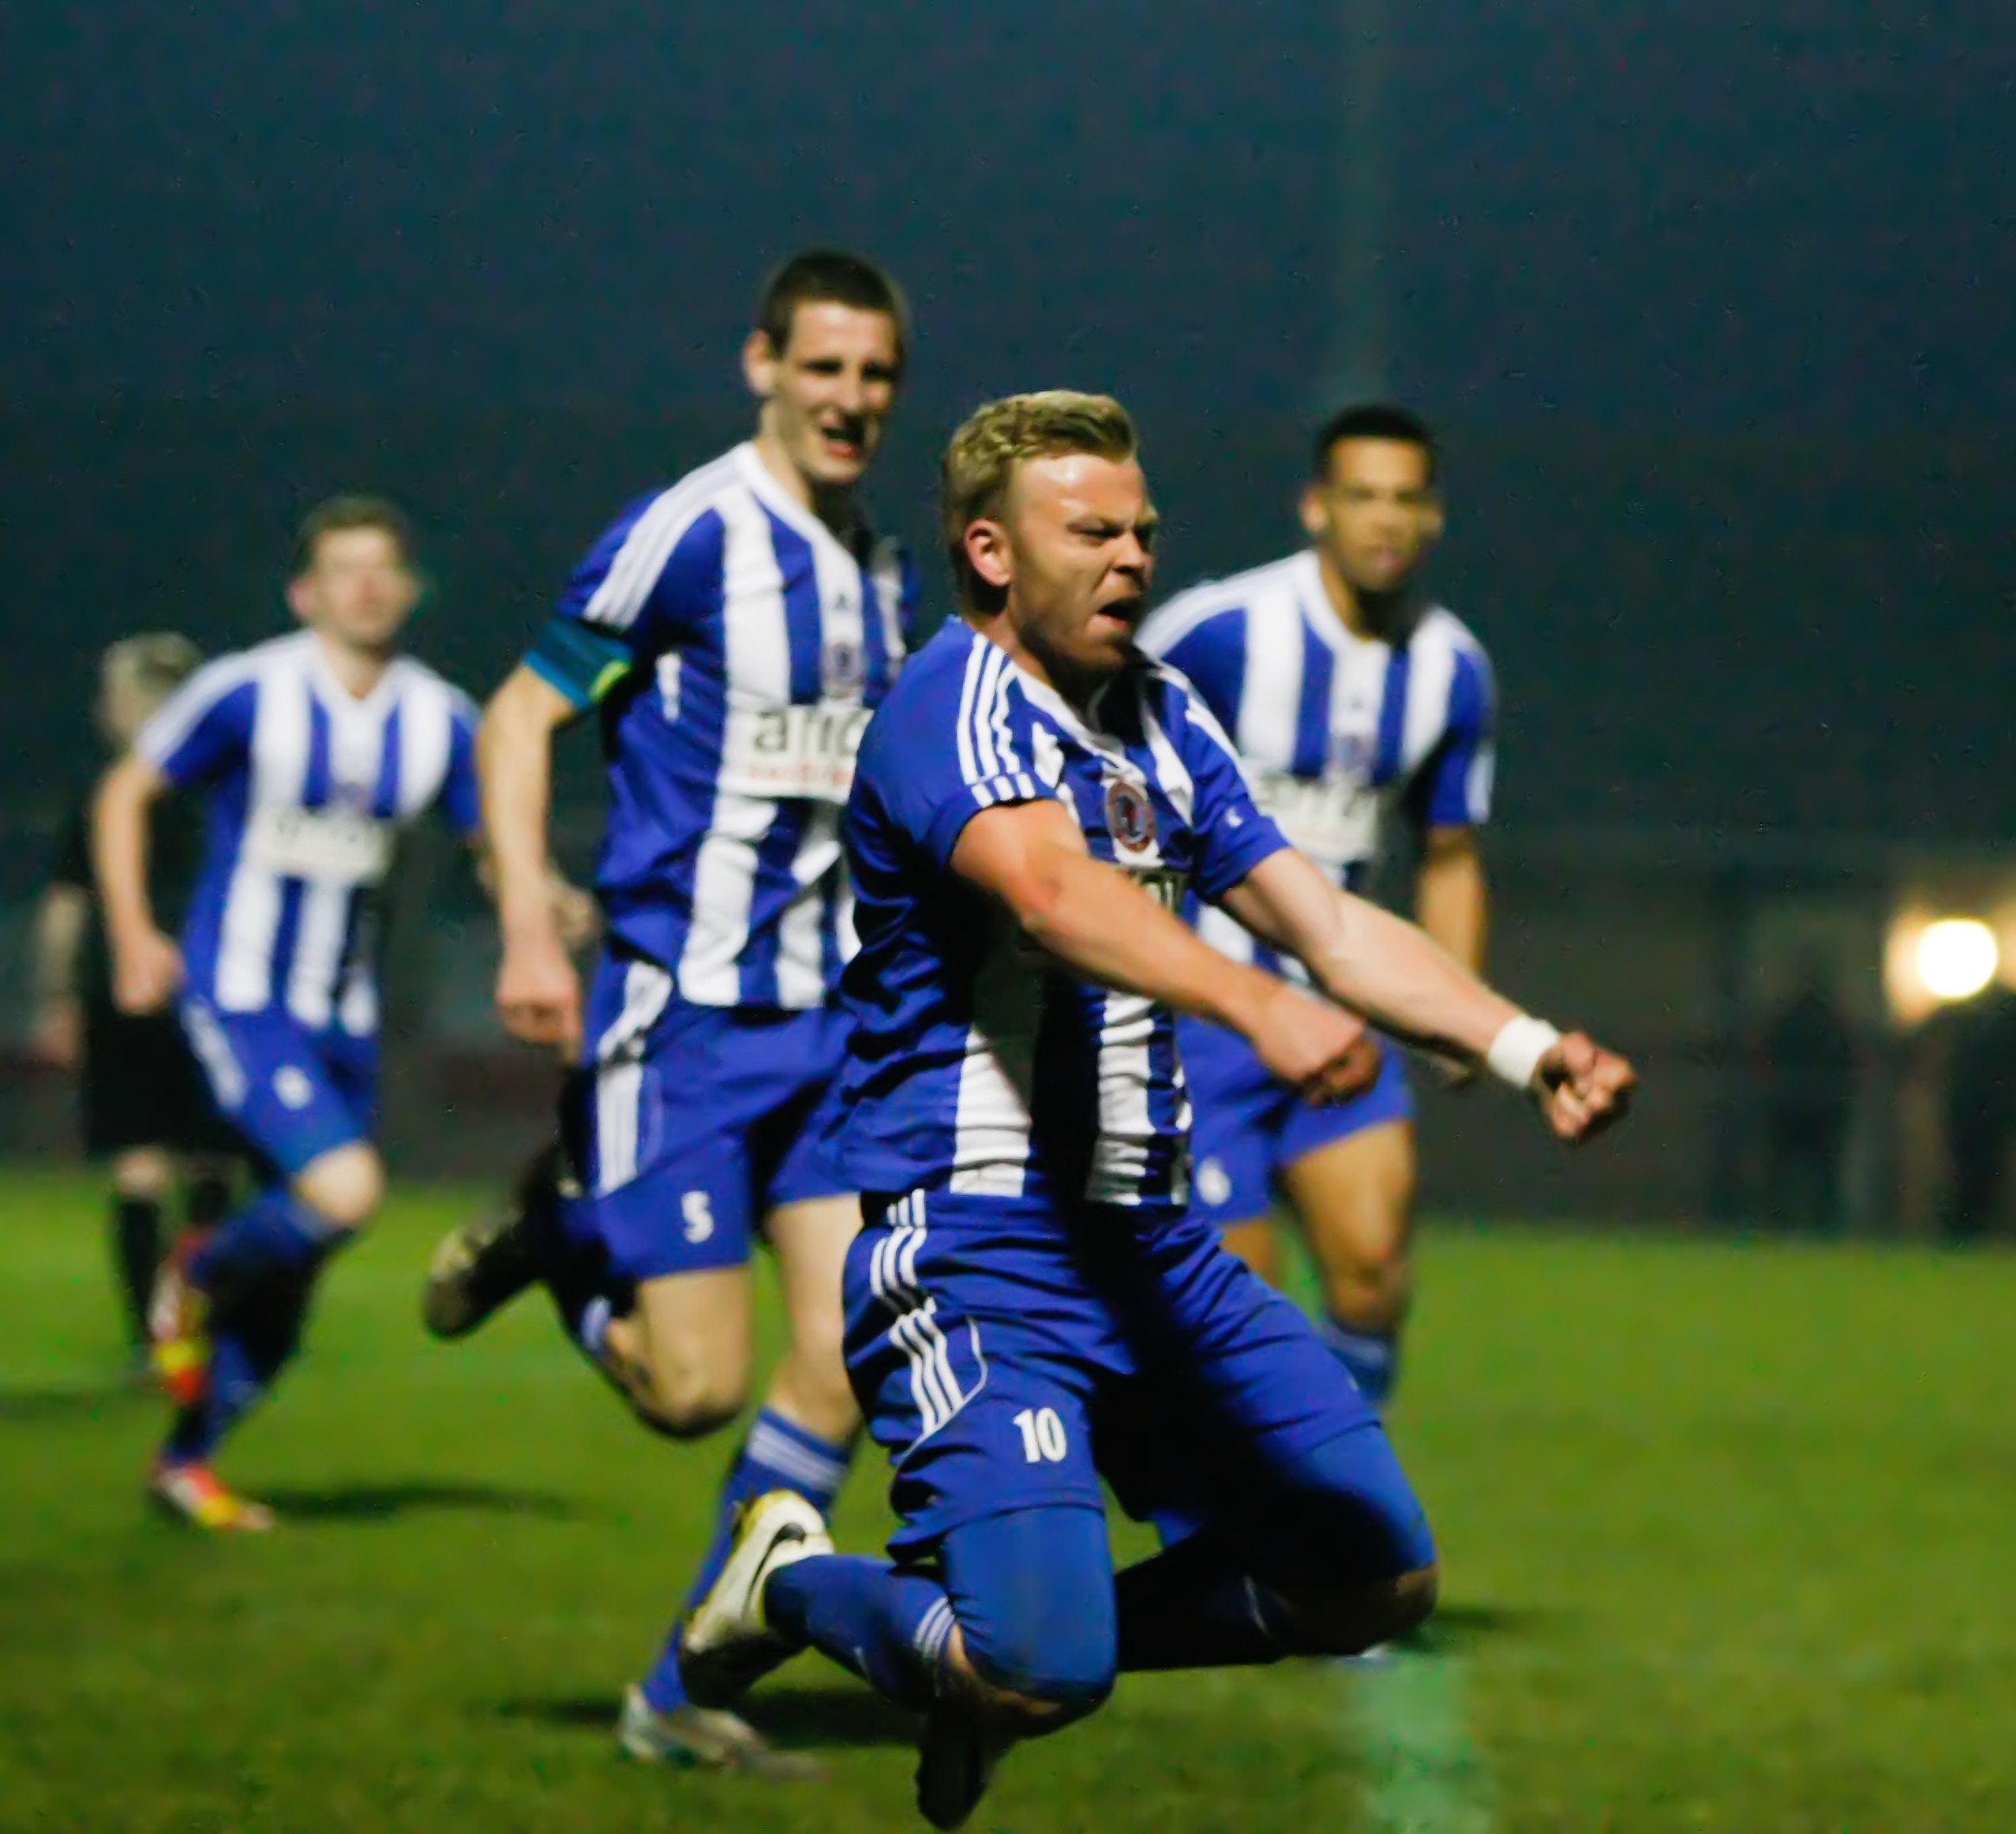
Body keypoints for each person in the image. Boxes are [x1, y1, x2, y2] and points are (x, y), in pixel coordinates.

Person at [669, 392, 1636, 1830]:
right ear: (991, 552)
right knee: (1041, 1665)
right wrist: (1255, 1004)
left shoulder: (1164, 712)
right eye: (1091, 532)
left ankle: (995, 1665)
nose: (1131, 557)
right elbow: (1053, 894)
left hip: (1155, 1250)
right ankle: (791, 1581)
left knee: (1370, 1580)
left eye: (1141, 530)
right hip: (982, 1251)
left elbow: (1329, 921)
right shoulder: (949, 704)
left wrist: (1522, 1043)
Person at [416, 250, 915, 1777]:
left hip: (828, 1032)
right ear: (762, 365)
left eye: (874, 374)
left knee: (847, 1356)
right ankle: (556, 1237)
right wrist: (526, 914)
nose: (848, 398)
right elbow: (520, 713)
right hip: (681, 1023)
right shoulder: (689, 534)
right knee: (694, 1392)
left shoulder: (882, 568)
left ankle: (683, 1686)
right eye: (822, 366)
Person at [93, 496, 487, 1532]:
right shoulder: (246, 690)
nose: (366, 586)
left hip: (343, 1013)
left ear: (409, 589)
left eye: (382, 567)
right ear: (305, 593)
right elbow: (125, 794)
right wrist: (135, 935)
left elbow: (493, 836)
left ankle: (186, 1461)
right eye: (343, 569)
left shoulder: (439, 716)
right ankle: (196, 1266)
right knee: (345, 1191)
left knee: (299, 1267)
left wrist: (544, 909)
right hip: (241, 992)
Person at [1134, 402, 1492, 1416]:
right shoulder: (1217, 632)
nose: (1384, 520)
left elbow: (1449, 855)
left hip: (1342, 1013)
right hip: (1204, 1022)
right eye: (1361, 496)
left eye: (1404, 499)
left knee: (1373, 1273)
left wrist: (1457, 1012)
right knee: (1239, 1321)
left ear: (1433, 517)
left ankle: (1327, 1493)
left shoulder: (1451, 670)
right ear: (1315, 508)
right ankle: (1259, 1502)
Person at [33, 635, 239, 1361]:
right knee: (214, 1160)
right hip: (217, 986)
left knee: (140, 1162)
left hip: (120, 988)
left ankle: (152, 1337)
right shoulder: (228, 788)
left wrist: (57, 994)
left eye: (115, 695)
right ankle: (203, 1322)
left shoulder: (106, 788)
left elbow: (65, 907)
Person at [1917, 977, 2016, 1243]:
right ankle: (1967, 1230)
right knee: (1977, 1174)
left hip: (1978, 1106)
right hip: (1986, 1107)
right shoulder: (2002, 1019)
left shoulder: (1971, 1017)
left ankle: (1964, 1231)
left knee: (1974, 1174)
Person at [1755, 956, 1857, 1236]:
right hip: (1821, 1106)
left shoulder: (1788, 1019)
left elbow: (1767, 1056)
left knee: (1786, 1171)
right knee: (1822, 1172)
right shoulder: (1832, 1021)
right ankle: (1823, 1226)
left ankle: (1779, 1224)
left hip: (1794, 1105)